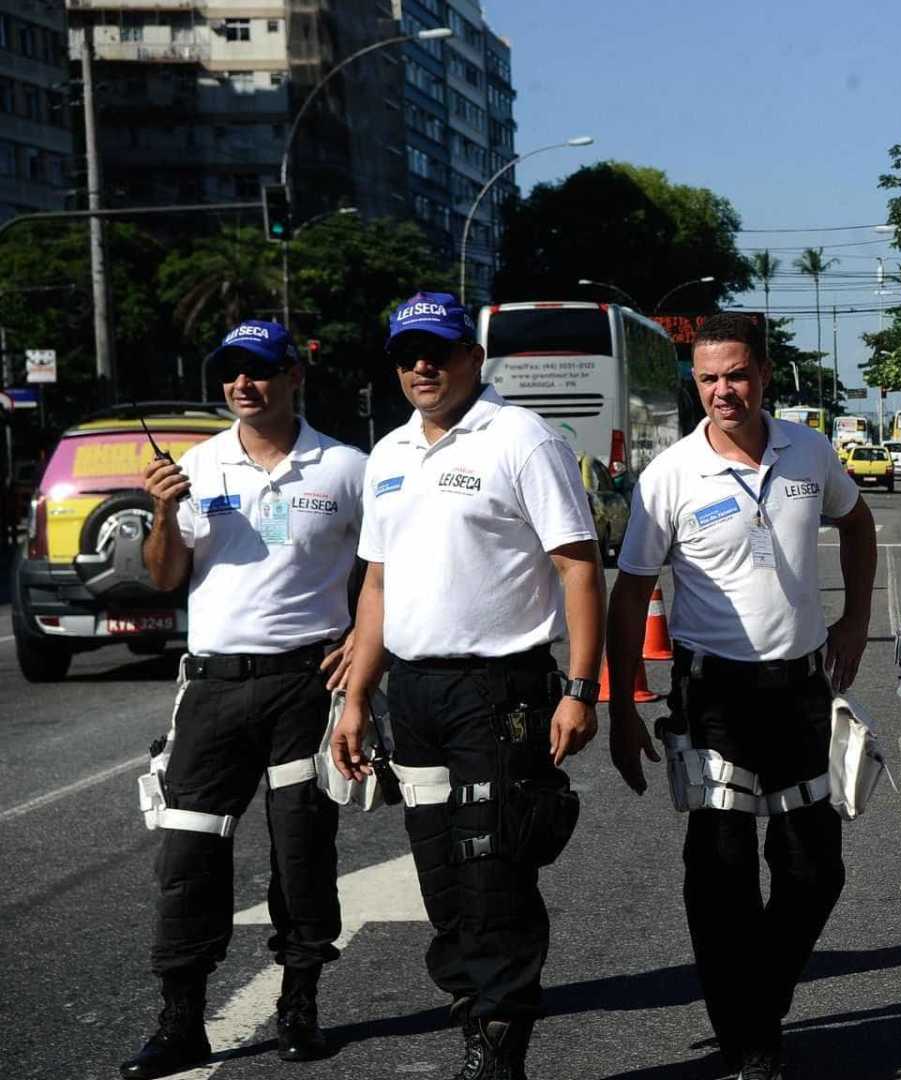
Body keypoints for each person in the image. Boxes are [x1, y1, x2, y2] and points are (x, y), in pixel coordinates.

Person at [331, 292, 603, 1080]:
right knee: (442, 881)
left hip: (500, 692)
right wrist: (355, 698)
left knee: (492, 874)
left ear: (473, 360)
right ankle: (472, 1015)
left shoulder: (522, 438)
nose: (423, 365)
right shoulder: (386, 455)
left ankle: (499, 1048)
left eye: (440, 351)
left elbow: (577, 565)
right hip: (411, 695)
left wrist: (580, 689)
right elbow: (376, 588)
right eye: (408, 353)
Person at [605, 312, 877, 1080]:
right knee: (722, 873)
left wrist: (855, 620)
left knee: (813, 871)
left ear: (763, 374)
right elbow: (631, 595)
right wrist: (622, 705)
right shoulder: (671, 475)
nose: (724, 391)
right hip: (713, 695)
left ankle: (759, 997)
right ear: (696, 386)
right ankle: (750, 1039)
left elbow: (857, 526)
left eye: (737, 374)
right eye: (709, 379)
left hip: (799, 693)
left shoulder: (809, 452)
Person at [125, 320, 365, 1078]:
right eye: (230, 372)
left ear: (295, 374)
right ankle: (180, 1021)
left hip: (306, 684)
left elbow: (386, 571)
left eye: (259, 370)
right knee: (189, 854)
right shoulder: (196, 465)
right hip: (214, 688)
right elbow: (165, 576)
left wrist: (363, 647)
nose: (242, 384)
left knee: (302, 851)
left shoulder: (346, 467)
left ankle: (300, 1006)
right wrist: (164, 511)